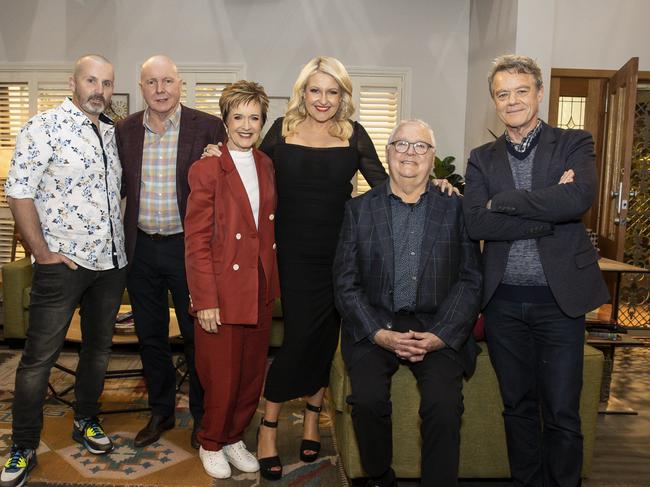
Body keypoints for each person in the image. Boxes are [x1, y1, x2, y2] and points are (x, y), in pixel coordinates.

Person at [463, 54, 609, 487]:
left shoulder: (573, 142)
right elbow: (476, 222)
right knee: (518, 407)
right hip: (504, 303)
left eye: (521, 91)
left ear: (539, 93)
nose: (512, 101)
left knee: (563, 410)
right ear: (494, 101)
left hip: (560, 303)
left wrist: (502, 201)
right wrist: (549, 208)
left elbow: (578, 199)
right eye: (502, 94)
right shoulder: (481, 157)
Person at [333, 119, 482, 487]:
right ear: (387, 153)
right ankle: (380, 475)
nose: (409, 154)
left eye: (420, 147)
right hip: (377, 323)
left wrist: (441, 335)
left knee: (443, 406)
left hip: (436, 325)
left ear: (432, 157)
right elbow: (345, 283)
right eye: (401, 144)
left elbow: (470, 278)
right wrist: (378, 333)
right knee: (366, 401)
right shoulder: (359, 210)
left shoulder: (456, 209)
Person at [1, 54, 127, 487]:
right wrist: (42, 252)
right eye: (92, 80)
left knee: (98, 351)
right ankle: (22, 445)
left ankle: (86, 420)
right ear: (73, 82)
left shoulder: (111, 131)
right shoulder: (43, 127)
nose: (100, 90)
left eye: (107, 83)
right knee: (39, 360)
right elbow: (19, 193)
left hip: (111, 264)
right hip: (63, 265)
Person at [116, 55, 226, 449]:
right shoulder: (124, 131)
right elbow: (117, 189)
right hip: (142, 250)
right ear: (141, 86)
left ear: (181, 84)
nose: (160, 90)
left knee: (199, 337)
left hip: (189, 250)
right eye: (151, 83)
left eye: (167, 82)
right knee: (151, 337)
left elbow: (230, 184)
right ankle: (160, 411)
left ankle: (202, 416)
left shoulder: (210, 127)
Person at [184, 80, 280, 479]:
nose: (246, 125)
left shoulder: (265, 164)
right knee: (220, 376)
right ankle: (210, 440)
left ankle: (234, 436)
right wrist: (204, 298)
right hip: (221, 290)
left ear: (262, 122)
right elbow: (196, 239)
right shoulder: (207, 167)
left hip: (258, 286)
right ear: (224, 121)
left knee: (250, 373)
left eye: (254, 117)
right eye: (237, 116)